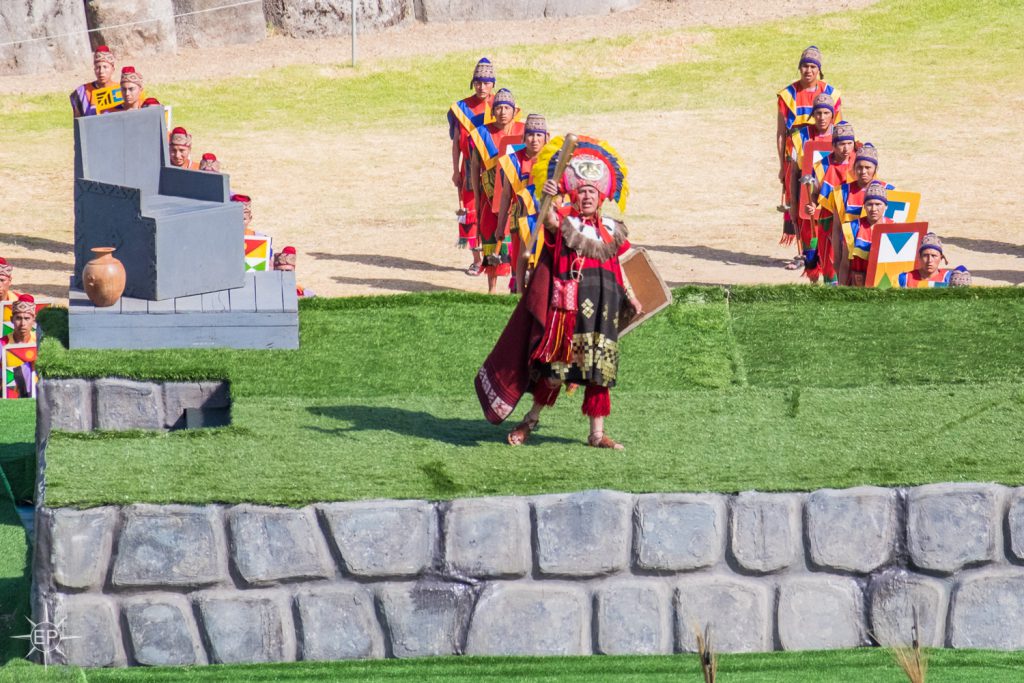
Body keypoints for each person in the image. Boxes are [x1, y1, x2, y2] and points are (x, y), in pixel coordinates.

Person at [475, 139, 641, 450]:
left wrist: (632, 295)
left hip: (604, 313)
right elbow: (548, 220)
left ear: (602, 196)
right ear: (575, 196)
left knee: (598, 374)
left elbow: (626, 263)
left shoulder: (612, 229)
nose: (587, 196)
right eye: (583, 192)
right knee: (555, 372)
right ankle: (529, 421)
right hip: (568, 312)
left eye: (593, 192)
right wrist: (548, 196)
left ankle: (596, 435)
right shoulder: (566, 222)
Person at [777, 46, 843, 261]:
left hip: (825, 154)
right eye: (805, 66)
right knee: (798, 204)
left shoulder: (832, 94)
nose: (808, 70)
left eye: (813, 66)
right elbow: (780, 133)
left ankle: (826, 250)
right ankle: (804, 253)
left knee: (825, 201)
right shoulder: (788, 95)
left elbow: (840, 129)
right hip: (796, 153)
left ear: (819, 70)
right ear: (799, 68)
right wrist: (782, 166)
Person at [469, 88, 525, 294]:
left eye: (506, 108)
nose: (502, 112)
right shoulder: (483, 133)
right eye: (498, 107)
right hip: (490, 195)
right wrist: (476, 196)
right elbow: (475, 166)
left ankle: (516, 285)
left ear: (514, 110)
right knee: (491, 239)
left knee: (517, 241)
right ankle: (492, 289)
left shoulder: (524, 131)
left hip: (518, 197)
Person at [817, 142, 894, 286]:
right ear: (854, 168)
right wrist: (837, 261)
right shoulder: (841, 192)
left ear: (875, 168)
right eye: (859, 167)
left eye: (868, 167)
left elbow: (897, 229)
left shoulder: (890, 191)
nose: (863, 172)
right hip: (852, 257)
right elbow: (836, 229)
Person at [448, 58, 497, 276]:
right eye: (478, 82)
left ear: (492, 84)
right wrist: (455, 170)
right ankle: (476, 260)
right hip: (468, 167)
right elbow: (456, 143)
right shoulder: (462, 108)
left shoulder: (501, 105)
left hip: (493, 167)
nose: (481, 86)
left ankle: (495, 257)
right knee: (469, 212)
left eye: (486, 82)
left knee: (495, 211)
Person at [496, 113, 549, 293]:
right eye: (531, 135)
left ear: (546, 138)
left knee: (543, 256)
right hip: (520, 216)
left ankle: (539, 291)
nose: (534, 139)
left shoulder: (551, 160)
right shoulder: (513, 160)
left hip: (546, 217)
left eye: (539, 135)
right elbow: (505, 195)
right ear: (524, 137)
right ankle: (520, 291)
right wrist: (500, 225)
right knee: (521, 256)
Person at [805, 120, 858, 285]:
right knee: (831, 260)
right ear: (833, 145)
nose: (846, 148)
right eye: (842, 144)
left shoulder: (860, 163)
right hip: (829, 220)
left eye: (850, 143)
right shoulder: (821, 167)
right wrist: (813, 205)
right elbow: (814, 193)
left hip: (853, 220)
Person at [789, 93, 835, 278]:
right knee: (811, 251)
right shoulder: (801, 137)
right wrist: (793, 205)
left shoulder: (843, 138)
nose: (822, 117)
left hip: (832, 205)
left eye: (826, 113)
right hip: (808, 203)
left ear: (832, 115)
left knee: (832, 251)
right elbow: (794, 173)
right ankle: (814, 285)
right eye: (818, 113)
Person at [847, 181, 893, 286]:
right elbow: (845, 263)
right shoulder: (853, 227)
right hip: (858, 285)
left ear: (886, 206)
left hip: (886, 283)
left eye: (878, 204)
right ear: (864, 206)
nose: (873, 209)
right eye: (869, 204)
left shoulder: (894, 227)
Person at [1, 294, 38, 399]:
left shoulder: (40, 342)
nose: (23, 323)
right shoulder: (2, 344)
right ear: (11, 319)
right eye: (18, 318)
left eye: (27, 318)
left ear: (33, 320)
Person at [898, 233, 962, 288]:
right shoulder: (905, 278)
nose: (929, 260)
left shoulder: (950, 278)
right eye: (925, 255)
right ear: (919, 257)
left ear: (941, 258)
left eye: (934, 256)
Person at [70, 45, 116, 118]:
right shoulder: (82, 92)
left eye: (105, 67)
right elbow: (78, 123)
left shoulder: (120, 90)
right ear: (94, 70)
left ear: (112, 69)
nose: (101, 71)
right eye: (98, 67)